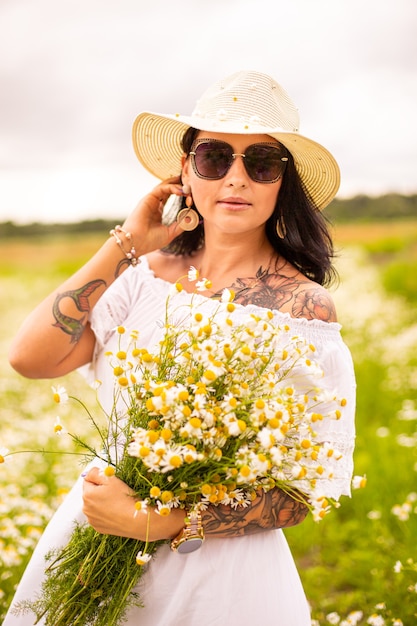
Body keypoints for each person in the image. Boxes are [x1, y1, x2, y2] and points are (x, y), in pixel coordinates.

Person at [5, 70, 356, 625]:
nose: (236, 178)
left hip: (223, 578)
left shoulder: (302, 310)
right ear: (186, 171)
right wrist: (126, 243)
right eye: (216, 157)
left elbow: (300, 490)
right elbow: (30, 358)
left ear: (281, 183)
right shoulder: (142, 276)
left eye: (262, 163)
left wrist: (163, 521)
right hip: (96, 534)